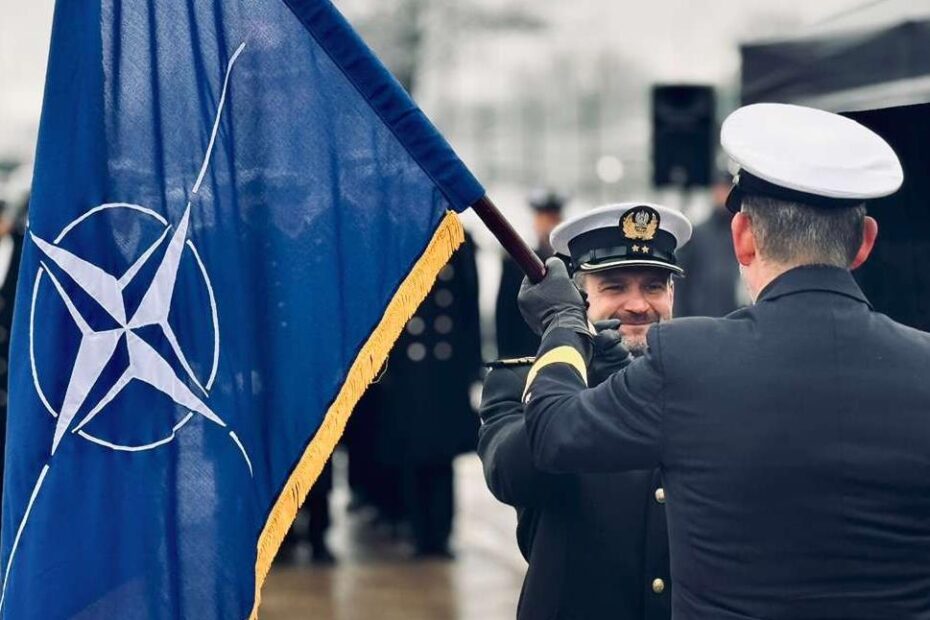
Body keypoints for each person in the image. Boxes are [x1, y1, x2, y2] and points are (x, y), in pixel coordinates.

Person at [517, 103, 930, 618]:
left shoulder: (690, 360)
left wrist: (561, 321)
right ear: (865, 241)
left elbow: (555, 432)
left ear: (742, 236)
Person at [479, 202, 692, 619]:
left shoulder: (700, 380)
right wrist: (571, 346)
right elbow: (511, 473)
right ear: (579, 297)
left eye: (653, 286)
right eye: (614, 287)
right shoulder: (523, 383)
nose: (637, 305)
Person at [372, 233, 482, 558]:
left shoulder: (457, 242)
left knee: (442, 458)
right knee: (413, 454)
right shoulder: (395, 242)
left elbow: (467, 308)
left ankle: (442, 533)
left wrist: (471, 367)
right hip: (408, 372)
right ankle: (420, 533)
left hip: (446, 373)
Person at [495, 190, 564, 358]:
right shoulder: (516, 262)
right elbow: (504, 315)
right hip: (525, 353)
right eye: (543, 219)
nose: (547, 226)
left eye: (552, 219)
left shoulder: (569, 259)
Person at [675, 171, 742, 317]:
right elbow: (681, 282)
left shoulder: (744, 234)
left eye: (726, 189)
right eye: (719, 189)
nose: (722, 194)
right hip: (702, 317)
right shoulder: (697, 234)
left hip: (736, 316)